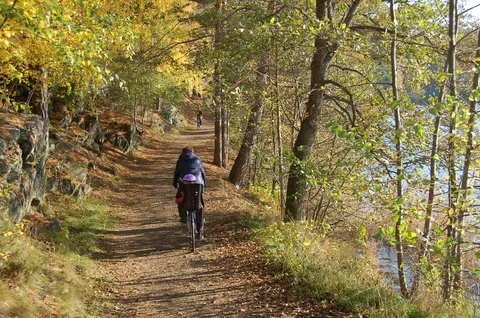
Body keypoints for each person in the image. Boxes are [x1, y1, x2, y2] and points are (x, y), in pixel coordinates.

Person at [173, 146, 206, 239]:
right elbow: (203, 174)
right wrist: (204, 185)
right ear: (192, 152)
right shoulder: (198, 160)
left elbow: (176, 174)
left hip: (184, 184)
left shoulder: (180, 161)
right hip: (198, 185)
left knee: (180, 200)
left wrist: (175, 184)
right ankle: (200, 232)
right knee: (200, 205)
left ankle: (183, 217)